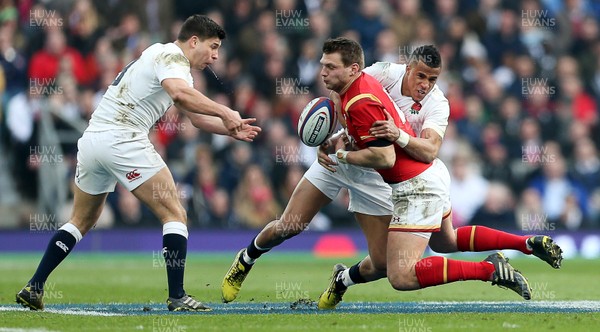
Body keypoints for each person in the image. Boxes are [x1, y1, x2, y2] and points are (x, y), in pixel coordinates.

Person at [221, 40, 560, 306]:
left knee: (388, 263)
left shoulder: (437, 104)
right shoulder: (383, 73)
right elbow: (345, 92)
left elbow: (426, 150)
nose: (425, 85)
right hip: (352, 159)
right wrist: (332, 139)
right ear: (408, 67)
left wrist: (388, 138)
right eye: (421, 76)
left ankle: (343, 280)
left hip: (382, 173)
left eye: (432, 79)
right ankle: (246, 259)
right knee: (289, 225)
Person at [16, 15, 261, 312]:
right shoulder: (173, 57)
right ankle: (178, 295)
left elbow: (194, 116)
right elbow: (180, 94)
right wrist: (226, 111)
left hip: (93, 140)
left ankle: (35, 286)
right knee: (175, 213)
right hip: (124, 138)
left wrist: (230, 128)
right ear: (193, 41)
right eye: (213, 46)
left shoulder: (160, 55)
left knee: (81, 220)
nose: (216, 55)